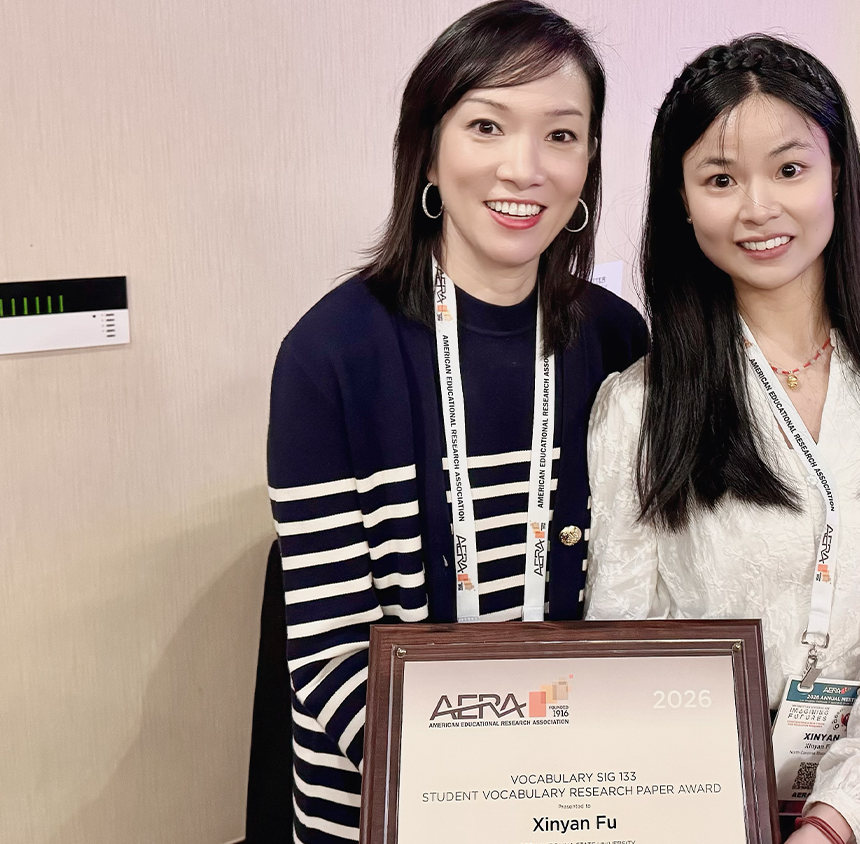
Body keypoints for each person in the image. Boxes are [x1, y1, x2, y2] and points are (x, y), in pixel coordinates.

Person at [585, 35, 860, 844]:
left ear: (838, 175)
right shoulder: (638, 408)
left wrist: (837, 820)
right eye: (720, 179)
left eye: (790, 169)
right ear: (681, 201)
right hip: (701, 811)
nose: (758, 208)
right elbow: (626, 646)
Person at [266, 3, 647, 841]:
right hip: (389, 803)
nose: (525, 168)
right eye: (487, 125)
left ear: (587, 162)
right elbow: (330, 653)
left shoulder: (619, 344)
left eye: (561, 135)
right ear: (427, 153)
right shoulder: (330, 355)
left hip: (581, 797)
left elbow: (645, 600)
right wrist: (474, 801)